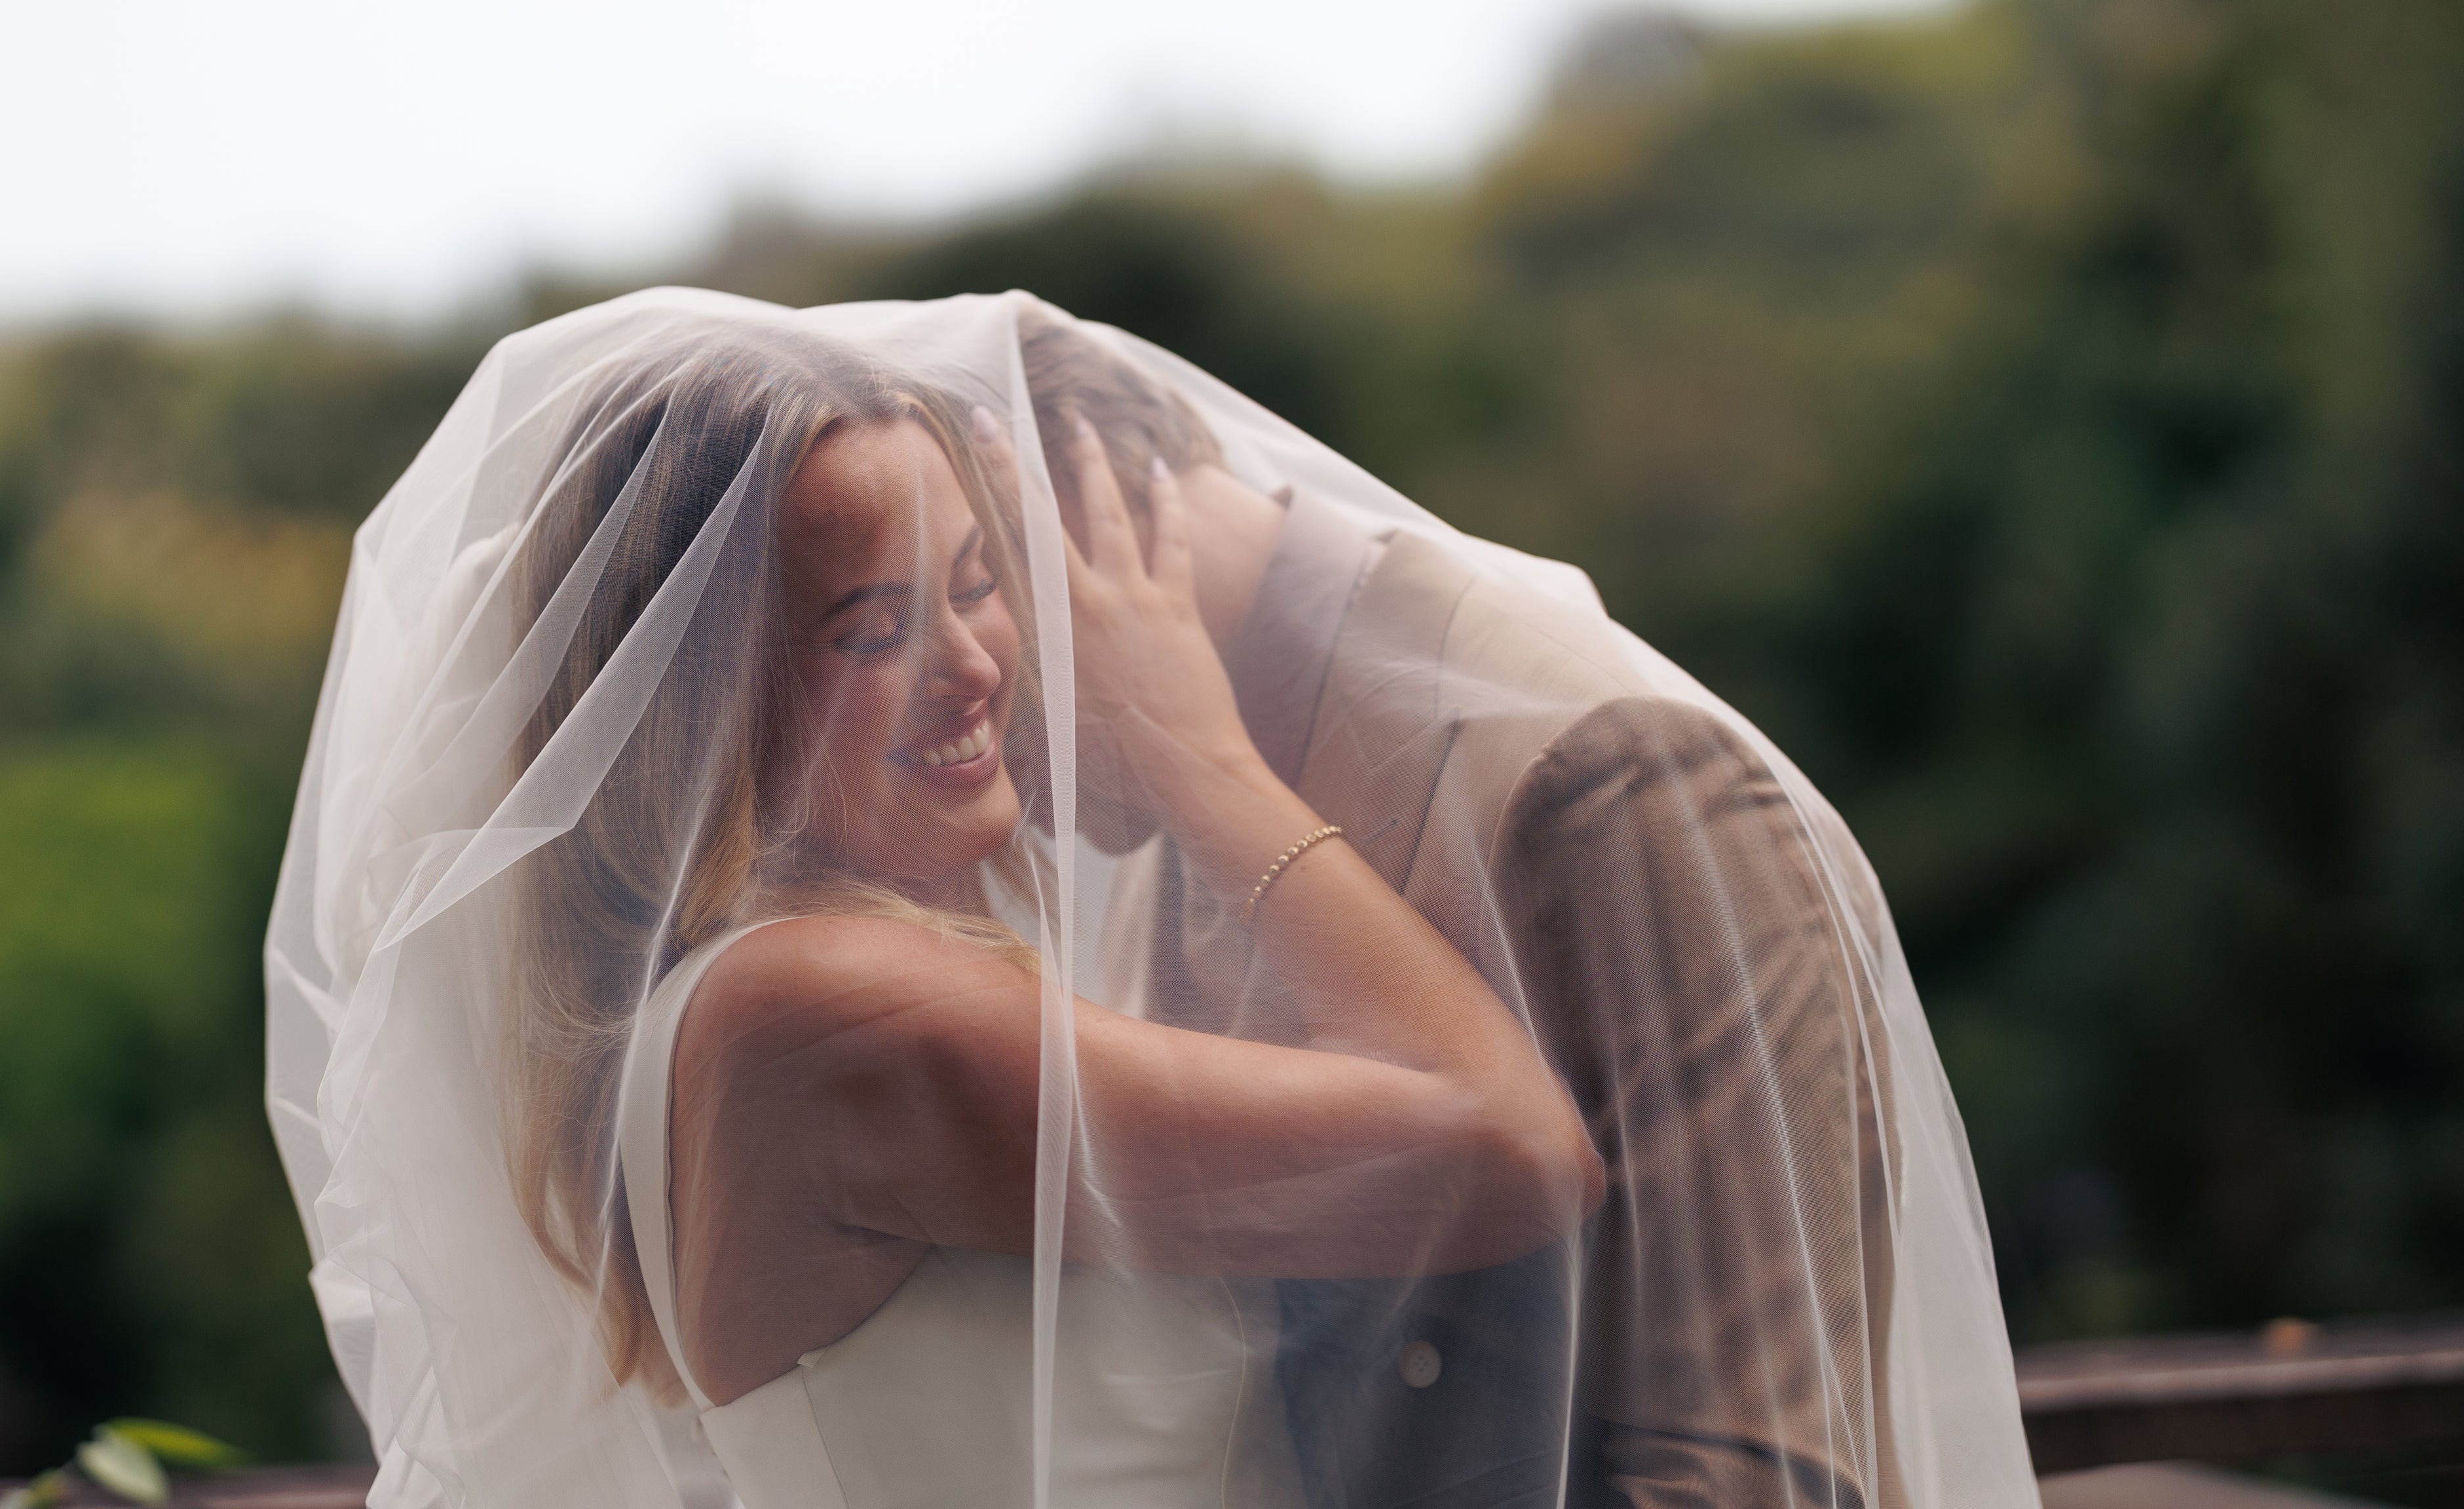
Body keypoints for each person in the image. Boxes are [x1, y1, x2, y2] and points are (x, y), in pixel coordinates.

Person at [264, 289, 2036, 1509]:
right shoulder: (829, 1016)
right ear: (704, 700)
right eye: (874, 624)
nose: (981, 667)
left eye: (982, 584)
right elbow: (1507, 1144)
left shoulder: (793, 994)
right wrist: (1208, 766)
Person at [1017, 301, 2041, 1509]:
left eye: (953, 598)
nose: (962, 699)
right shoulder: (1192, 789)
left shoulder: (1613, 775)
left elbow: (1751, 1471)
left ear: (1076, 523)